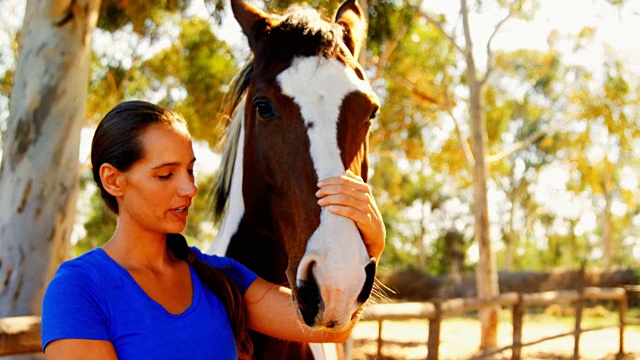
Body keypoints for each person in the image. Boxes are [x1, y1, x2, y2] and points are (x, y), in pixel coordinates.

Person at [41, 100, 385, 360]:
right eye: (165, 175)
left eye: (189, 171)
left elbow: (331, 327)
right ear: (113, 180)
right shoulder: (79, 288)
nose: (189, 188)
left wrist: (371, 248)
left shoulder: (220, 278)